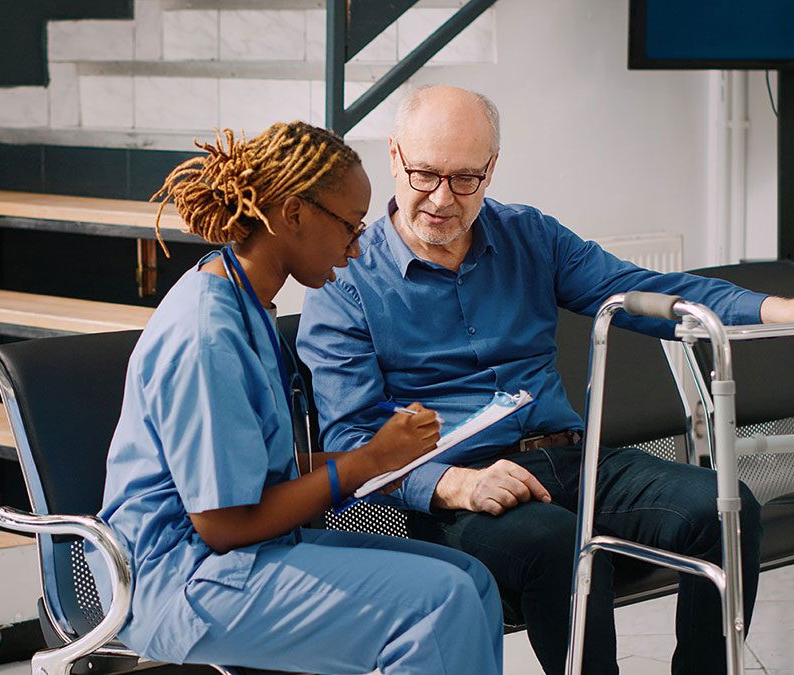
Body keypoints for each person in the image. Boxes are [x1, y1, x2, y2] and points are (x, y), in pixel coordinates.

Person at [297, 84, 794, 675]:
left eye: (465, 179)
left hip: (573, 459)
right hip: (459, 492)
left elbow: (648, 292)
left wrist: (778, 311)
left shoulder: (529, 236)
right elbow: (354, 441)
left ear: (492, 169)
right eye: (425, 174)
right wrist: (455, 484)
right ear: (395, 157)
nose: (441, 199)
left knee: (724, 508)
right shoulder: (345, 283)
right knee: (561, 547)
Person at [91, 121, 504, 675]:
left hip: (238, 555)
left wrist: (385, 454)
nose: (357, 249)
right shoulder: (206, 334)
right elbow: (224, 522)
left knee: (472, 582)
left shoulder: (246, 301)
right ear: (293, 214)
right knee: (439, 604)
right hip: (180, 582)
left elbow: (256, 468)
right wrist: (367, 462)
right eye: (350, 228)